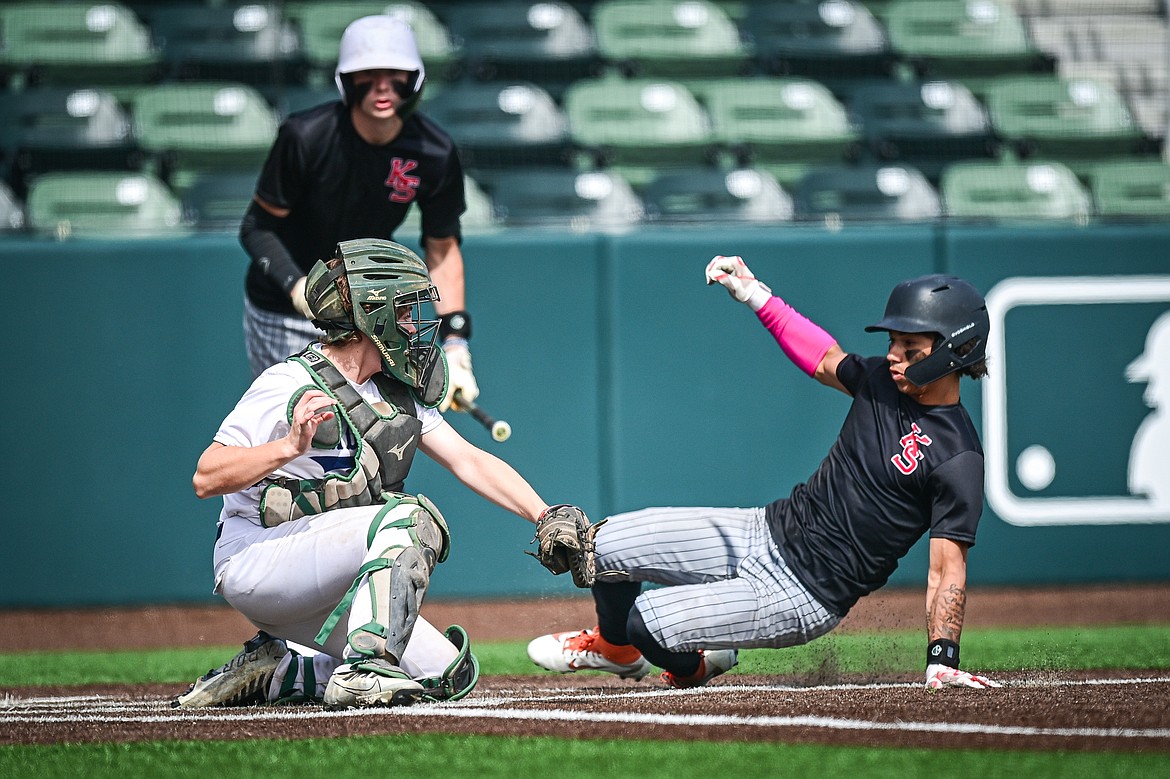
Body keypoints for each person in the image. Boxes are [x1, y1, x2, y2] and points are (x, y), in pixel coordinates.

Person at [527, 255, 1002, 691]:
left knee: (646, 619)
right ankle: (617, 652)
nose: (894, 353)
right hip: (762, 529)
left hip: (805, 591)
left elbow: (947, 569)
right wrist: (757, 294)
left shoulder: (958, 457)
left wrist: (942, 656)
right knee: (598, 545)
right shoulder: (882, 380)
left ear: (953, 351)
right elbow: (823, 357)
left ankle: (695, 667)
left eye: (910, 346)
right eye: (894, 342)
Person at [176, 239, 589, 709]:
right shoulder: (289, 382)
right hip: (258, 560)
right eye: (408, 309)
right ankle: (361, 673)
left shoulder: (392, 392)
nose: (418, 323)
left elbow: (468, 459)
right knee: (409, 520)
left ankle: (279, 671)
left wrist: (542, 514)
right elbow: (206, 476)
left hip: (327, 574)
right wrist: (288, 447)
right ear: (375, 315)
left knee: (446, 675)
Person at [239, 14, 478, 416]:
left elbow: (442, 248)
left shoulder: (434, 152)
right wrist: (298, 287)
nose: (382, 87)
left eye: (396, 75)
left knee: (376, 429)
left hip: (366, 310)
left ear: (415, 81)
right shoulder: (306, 137)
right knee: (299, 427)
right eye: (367, 75)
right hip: (284, 309)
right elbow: (257, 228)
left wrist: (456, 345)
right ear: (346, 82)